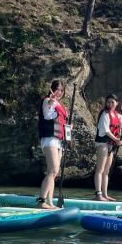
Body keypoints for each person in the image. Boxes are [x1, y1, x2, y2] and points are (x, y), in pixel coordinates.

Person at [93, 94, 122, 201]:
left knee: (106, 171)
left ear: (116, 104)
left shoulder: (117, 115)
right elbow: (106, 130)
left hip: (111, 145)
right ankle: (98, 194)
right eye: (108, 102)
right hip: (103, 143)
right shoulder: (104, 114)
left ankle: (105, 194)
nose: (110, 104)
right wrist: (116, 140)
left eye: (112, 102)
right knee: (100, 169)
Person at [38, 80, 69, 209]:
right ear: (52, 89)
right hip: (49, 138)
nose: (59, 92)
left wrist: (67, 127)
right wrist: (50, 103)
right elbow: (46, 115)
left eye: (61, 90)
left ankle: (50, 202)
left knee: (54, 173)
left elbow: (60, 121)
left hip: (59, 140)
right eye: (57, 89)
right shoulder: (47, 100)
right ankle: (41, 201)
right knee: (53, 170)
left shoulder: (60, 105)